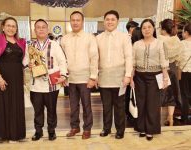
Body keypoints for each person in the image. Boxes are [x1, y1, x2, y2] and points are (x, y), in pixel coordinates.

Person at [23, 19, 68, 141]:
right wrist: (29, 65)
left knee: (52, 110)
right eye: (38, 27)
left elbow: (62, 61)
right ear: (34, 30)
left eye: (43, 27)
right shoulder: (30, 45)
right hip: (35, 85)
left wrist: (63, 75)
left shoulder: (54, 44)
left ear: (47, 30)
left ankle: (51, 131)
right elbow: (24, 62)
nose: (41, 29)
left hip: (51, 84)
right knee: (37, 110)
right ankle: (38, 131)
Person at [0, 17, 26, 142]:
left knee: (16, 105)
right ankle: (4, 134)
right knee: (4, 104)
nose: (11, 28)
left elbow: (21, 62)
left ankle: (16, 134)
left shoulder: (20, 42)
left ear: (16, 29)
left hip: (17, 78)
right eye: (8, 25)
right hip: (3, 78)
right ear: (3, 27)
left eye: (13, 26)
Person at [61, 11, 98, 139]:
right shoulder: (64, 39)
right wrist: (63, 76)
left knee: (87, 105)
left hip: (85, 78)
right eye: (73, 20)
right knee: (73, 105)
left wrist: (93, 77)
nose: (75, 22)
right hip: (70, 78)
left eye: (78, 20)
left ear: (82, 22)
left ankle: (87, 128)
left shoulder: (90, 37)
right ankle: (74, 127)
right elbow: (62, 59)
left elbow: (94, 58)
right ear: (70, 21)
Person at [131, 19, 169, 141]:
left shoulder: (159, 43)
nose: (146, 30)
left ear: (153, 29)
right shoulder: (136, 44)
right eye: (144, 28)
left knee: (152, 104)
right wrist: (131, 78)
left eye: (149, 27)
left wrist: (165, 77)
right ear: (141, 30)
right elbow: (132, 63)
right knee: (141, 103)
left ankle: (150, 130)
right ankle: (141, 128)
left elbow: (164, 61)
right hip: (139, 76)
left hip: (155, 76)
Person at [96, 10, 133, 139]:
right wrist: (95, 76)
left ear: (117, 21)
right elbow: (95, 58)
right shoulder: (98, 38)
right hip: (104, 77)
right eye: (107, 19)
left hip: (120, 78)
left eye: (113, 19)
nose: (110, 22)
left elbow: (129, 57)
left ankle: (120, 130)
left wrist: (128, 75)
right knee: (106, 106)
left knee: (119, 106)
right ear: (104, 21)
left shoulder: (124, 37)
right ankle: (106, 128)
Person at [159, 19, 182, 126]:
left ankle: (155, 118)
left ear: (164, 29)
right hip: (173, 68)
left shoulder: (160, 40)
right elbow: (179, 57)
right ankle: (171, 118)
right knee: (172, 94)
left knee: (159, 94)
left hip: (162, 68)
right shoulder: (177, 40)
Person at [179, 23, 191, 124]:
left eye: (183, 31)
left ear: (186, 33)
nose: (182, 33)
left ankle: (185, 118)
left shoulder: (182, 44)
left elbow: (178, 59)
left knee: (185, 95)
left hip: (185, 72)